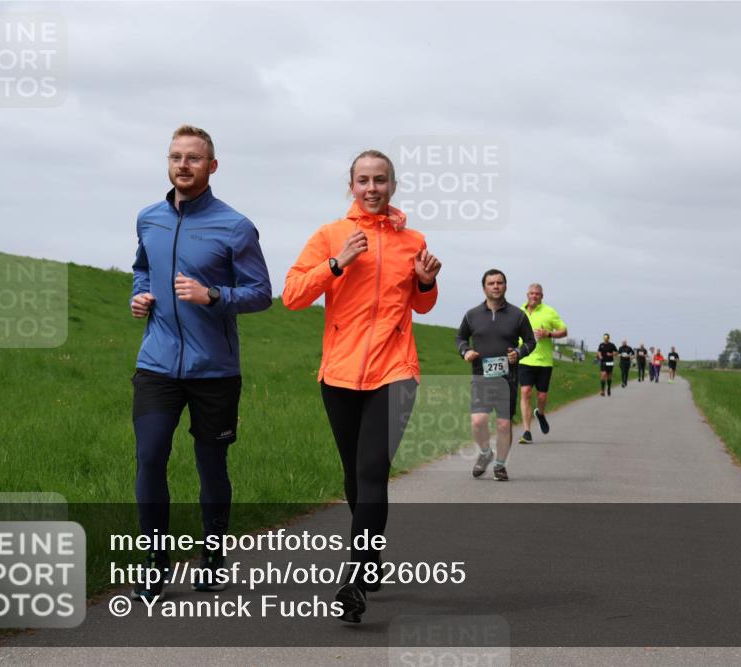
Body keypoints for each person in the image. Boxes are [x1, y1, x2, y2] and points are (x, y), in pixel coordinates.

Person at [283, 149, 441, 623]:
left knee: (373, 469)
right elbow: (292, 295)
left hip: (395, 371)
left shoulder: (412, 240)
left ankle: (356, 577)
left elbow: (421, 307)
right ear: (350, 186)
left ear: (393, 186)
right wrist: (336, 262)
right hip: (339, 373)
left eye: (381, 180)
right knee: (354, 477)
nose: (372, 188)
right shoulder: (331, 235)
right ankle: (371, 557)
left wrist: (427, 283)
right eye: (363, 180)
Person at [130, 125, 272, 601]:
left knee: (211, 466)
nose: (182, 165)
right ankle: (154, 561)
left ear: (212, 166)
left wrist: (212, 295)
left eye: (193, 158)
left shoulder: (236, 226)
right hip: (156, 364)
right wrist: (140, 296)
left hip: (215, 371)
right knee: (150, 458)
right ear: (167, 162)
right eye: (175, 157)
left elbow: (260, 294)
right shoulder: (148, 218)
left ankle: (212, 555)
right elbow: (142, 267)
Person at [456, 270, 536, 480]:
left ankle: (500, 465)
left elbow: (530, 342)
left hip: (506, 378)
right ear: (484, 288)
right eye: (491, 283)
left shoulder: (518, 315)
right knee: (478, 421)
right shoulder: (471, 315)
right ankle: (485, 453)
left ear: (505, 286)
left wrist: (518, 353)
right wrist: (466, 351)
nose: (496, 286)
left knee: (503, 423)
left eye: (500, 282)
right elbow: (460, 338)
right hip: (480, 376)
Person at [517, 283, 567, 444]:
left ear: (542, 296)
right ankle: (526, 431)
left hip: (544, 361)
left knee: (542, 395)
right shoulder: (519, 312)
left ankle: (541, 413)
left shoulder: (549, 312)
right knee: (525, 392)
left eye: (537, 294)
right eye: (531, 293)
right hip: (524, 358)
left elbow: (564, 331)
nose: (534, 296)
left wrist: (549, 333)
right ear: (527, 295)